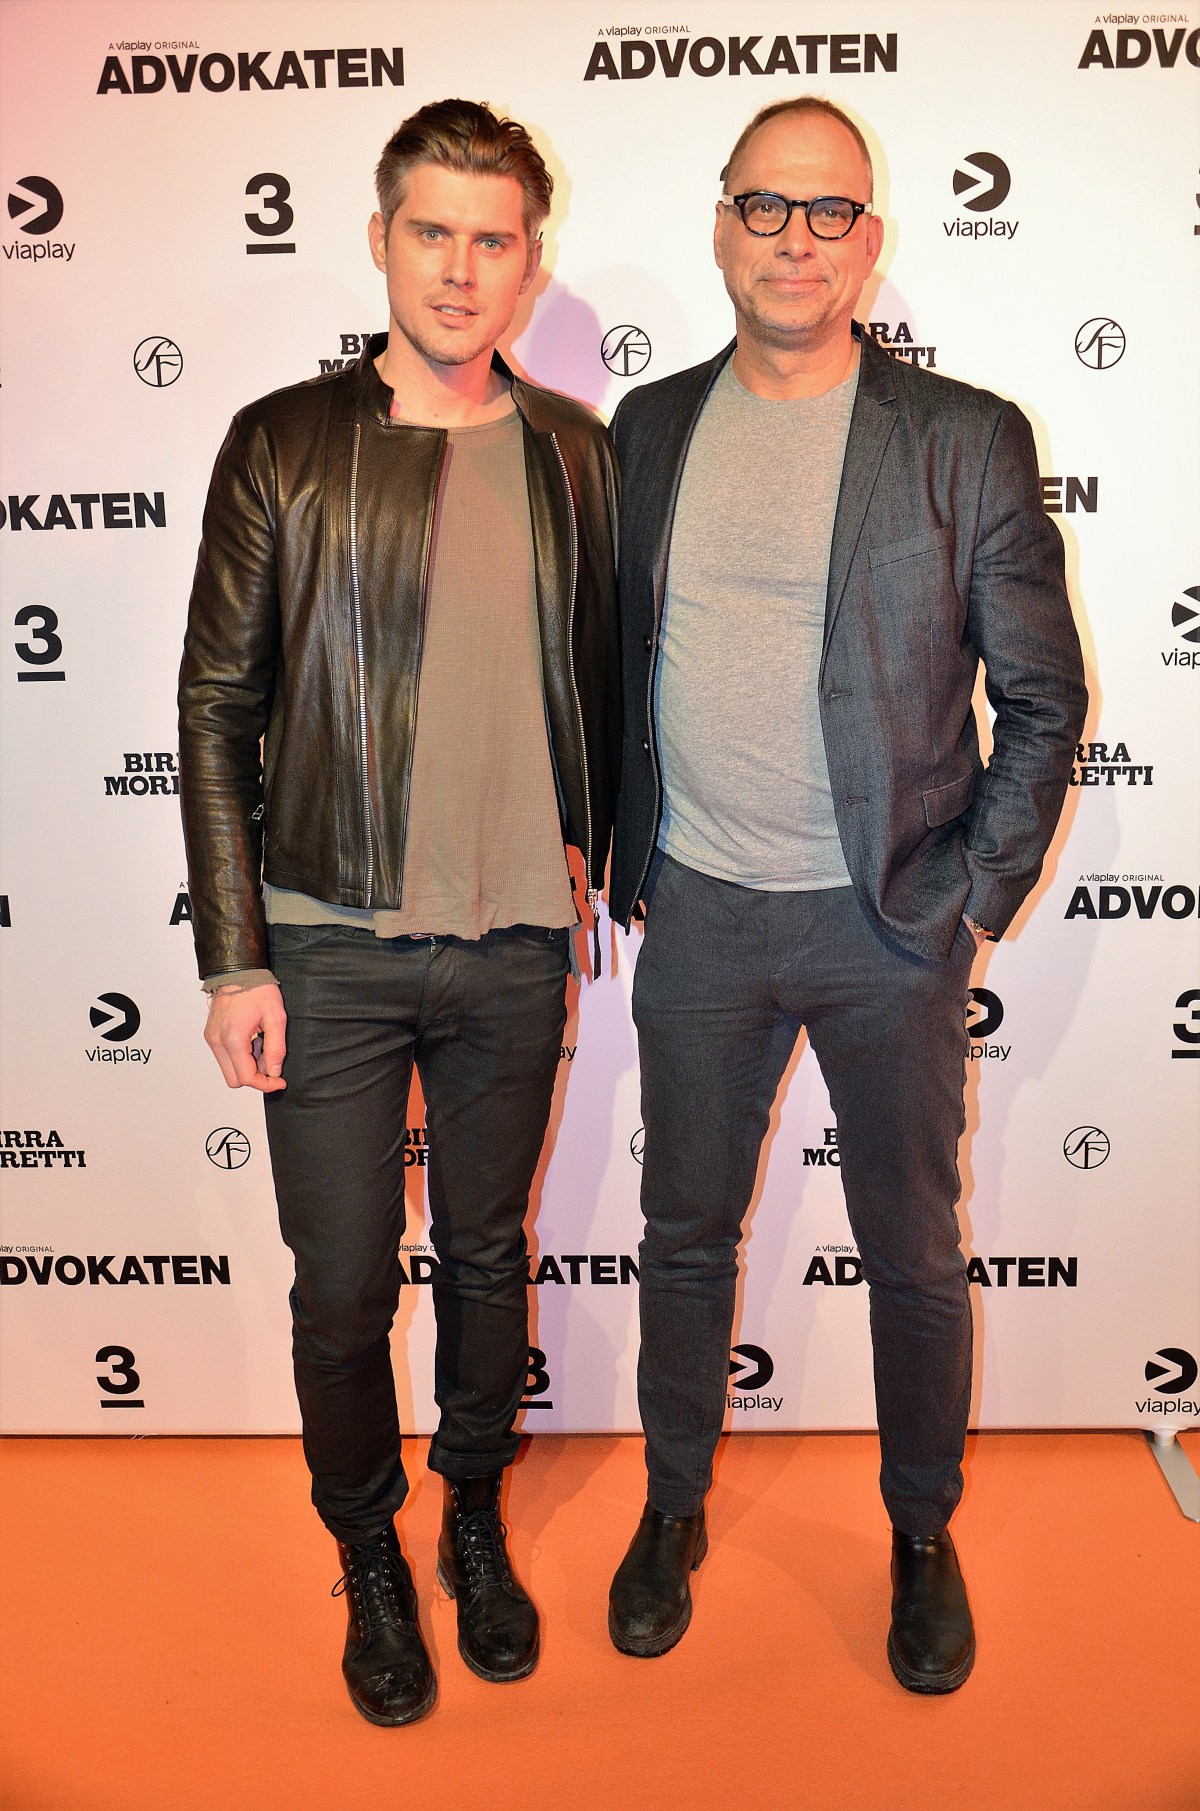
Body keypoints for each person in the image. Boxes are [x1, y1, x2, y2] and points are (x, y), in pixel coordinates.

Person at [605, 96, 1086, 1692]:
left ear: (869, 242)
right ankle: (673, 1506)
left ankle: (922, 1533)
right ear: (721, 227)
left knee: (914, 1251)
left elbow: (1044, 697)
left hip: (891, 921)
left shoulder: (963, 436)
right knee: (684, 1233)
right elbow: (609, 663)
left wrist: (971, 899)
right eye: (766, 206)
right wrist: (620, 849)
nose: (795, 240)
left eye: (827, 213)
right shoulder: (645, 430)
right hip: (702, 910)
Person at [179, 98, 619, 1726]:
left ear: (530, 265)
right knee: (346, 1283)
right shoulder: (282, 442)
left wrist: (591, 850)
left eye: (492, 240)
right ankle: (368, 1551)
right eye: (431, 231)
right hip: (327, 947)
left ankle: (475, 1519)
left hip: (515, 947)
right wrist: (234, 957)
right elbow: (216, 707)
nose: (459, 268)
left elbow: (603, 681)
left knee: (491, 1259)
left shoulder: (575, 450)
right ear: (380, 240)